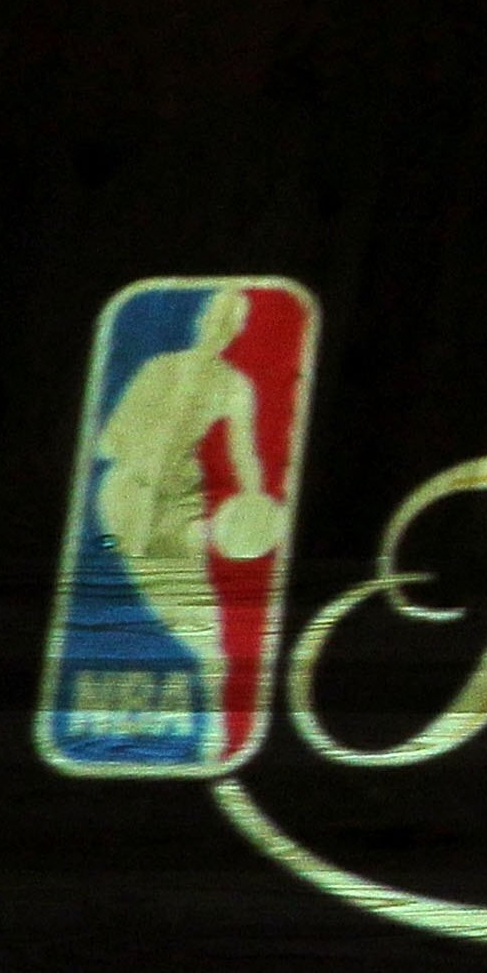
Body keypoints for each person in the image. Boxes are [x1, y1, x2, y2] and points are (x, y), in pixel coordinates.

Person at [90, 288, 285, 756]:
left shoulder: (233, 385)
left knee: (206, 632)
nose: (220, 326)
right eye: (215, 316)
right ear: (201, 321)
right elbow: (109, 443)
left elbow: (246, 457)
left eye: (230, 320)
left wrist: (255, 504)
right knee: (147, 612)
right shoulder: (159, 370)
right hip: (128, 500)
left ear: (236, 331)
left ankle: (217, 733)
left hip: (179, 503)